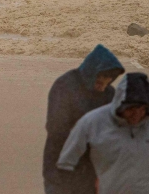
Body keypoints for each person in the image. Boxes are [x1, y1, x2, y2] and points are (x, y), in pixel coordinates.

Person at [58, 72, 149, 194]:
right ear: (119, 105)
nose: (136, 114)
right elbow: (67, 164)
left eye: (141, 108)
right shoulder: (92, 123)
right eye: (130, 108)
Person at [43, 44, 124, 194]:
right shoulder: (65, 86)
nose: (103, 87)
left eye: (108, 82)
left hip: (93, 171)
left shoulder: (109, 94)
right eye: (100, 83)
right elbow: (56, 128)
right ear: (91, 74)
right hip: (60, 164)